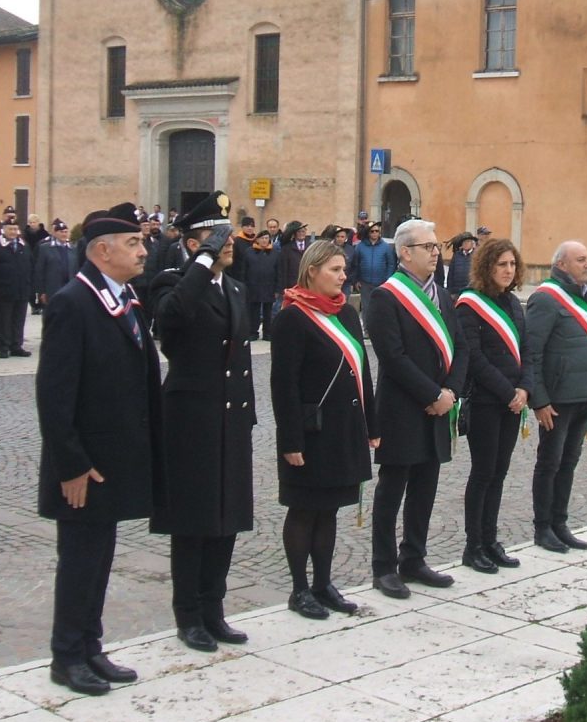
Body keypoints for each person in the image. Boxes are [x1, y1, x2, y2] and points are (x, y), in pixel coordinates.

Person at [37, 203, 163, 695]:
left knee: (99, 557)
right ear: (102, 250)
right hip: (83, 465)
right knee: (79, 560)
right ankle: (66, 655)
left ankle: (90, 646)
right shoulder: (74, 302)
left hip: (112, 461)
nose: (143, 249)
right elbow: (55, 393)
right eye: (133, 243)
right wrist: (71, 464)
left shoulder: (122, 297)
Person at [152, 192, 256, 651]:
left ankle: (215, 608)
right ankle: (188, 614)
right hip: (190, 418)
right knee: (193, 521)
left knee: (226, 517)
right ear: (193, 244)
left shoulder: (234, 288)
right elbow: (171, 321)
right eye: (216, 237)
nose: (227, 242)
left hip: (230, 417)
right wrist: (202, 261)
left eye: (227, 234)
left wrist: (247, 415)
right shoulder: (170, 282)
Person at [270, 240, 378, 618]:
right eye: (334, 269)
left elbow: (362, 370)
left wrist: (372, 422)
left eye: (343, 269)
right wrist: (290, 440)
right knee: (304, 510)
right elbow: (283, 385)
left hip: (343, 429)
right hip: (310, 433)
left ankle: (323, 583)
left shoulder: (346, 314)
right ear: (312, 271)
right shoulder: (292, 318)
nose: (343, 275)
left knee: (330, 509)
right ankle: (299, 589)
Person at [366, 217, 467, 598]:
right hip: (402, 408)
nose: (435, 253)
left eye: (437, 247)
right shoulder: (385, 296)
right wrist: (432, 395)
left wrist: (451, 393)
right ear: (405, 252)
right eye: (428, 247)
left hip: (440, 407)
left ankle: (414, 558)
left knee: (426, 485)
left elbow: (461, 349)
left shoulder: (444, 296)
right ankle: (383, 566)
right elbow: (393, 356)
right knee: (392, 490)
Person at [456, 237, 532, 573]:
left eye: (512, 264)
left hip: (513, 403)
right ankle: (473, 546)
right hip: (487, 402)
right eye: (501, 264)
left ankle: (491, 540)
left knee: (499, 473)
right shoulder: (470, 304)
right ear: (487, 266)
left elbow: (527, 350)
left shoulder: (514, 304)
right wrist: (508, 392)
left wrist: (525, 389)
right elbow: (473, 356)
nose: (508, 270)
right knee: (483, 473)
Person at [527, 240, 587, 552]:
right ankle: (542, 527)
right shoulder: (546, 299)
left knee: (569, 462)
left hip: (584, 396)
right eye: (581, 260)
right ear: (562, 265)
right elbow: (532, 353)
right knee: (550, 462)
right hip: (556, 400)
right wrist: (540, 400)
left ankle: (560, 522)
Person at [0, 220, 33, 358]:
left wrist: (29, 287)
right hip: (3, 290)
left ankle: (16, 345)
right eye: (10, 229)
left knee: (18, 320)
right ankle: (4, 346)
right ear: (3, 230)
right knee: (4, 321)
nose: (13, 232)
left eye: (15, 229)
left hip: (21, 290)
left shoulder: (23, 246)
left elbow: (30, 267)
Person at [353, 221, 397, 335]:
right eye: (372, 231)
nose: (375, 233)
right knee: (366, 308)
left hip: (382, 283)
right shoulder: (360, 247)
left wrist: (387, 279)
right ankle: (367, 330)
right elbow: (356, 264)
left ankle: (381, 330)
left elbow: (391, 264)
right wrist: (356, 280)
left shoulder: (385, 247)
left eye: (377, 231)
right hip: (365, 282)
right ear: (368, 233)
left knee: (381, 307)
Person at [243, 230, 279, 340]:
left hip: (269, 286)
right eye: (262, 238)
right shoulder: (249, 252)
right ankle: (253, 332)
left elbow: (278, 271)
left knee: (268, 311)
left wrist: (277, 289)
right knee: (254, 310)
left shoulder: (275, 253)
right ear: (257, 239)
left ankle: (267, 333)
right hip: (253, 285)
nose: (264, 240)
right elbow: (244, 270)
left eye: (266, 238)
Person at [443, 232, 477, 297]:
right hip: (456, 292)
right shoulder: (456, 255)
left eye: (468, 241)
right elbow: (450, 274)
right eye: (464, 242)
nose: (466, 244)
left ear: (472, 244)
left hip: (471, 292)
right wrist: (449, 290)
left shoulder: (477, 255)